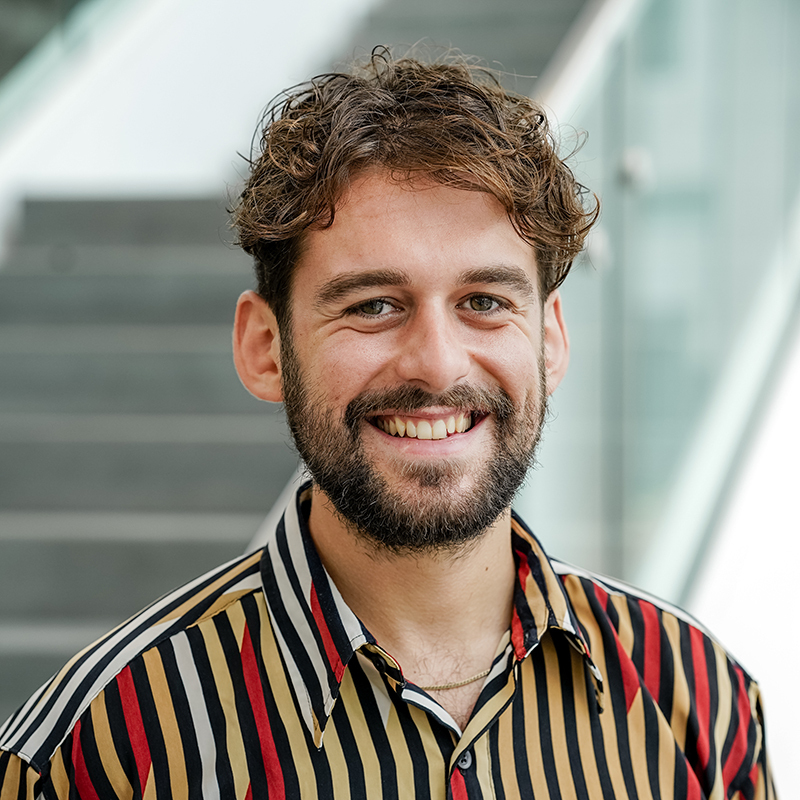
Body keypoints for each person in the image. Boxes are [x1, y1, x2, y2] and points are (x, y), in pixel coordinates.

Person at [0, 50, 774, 799]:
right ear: (266, 349)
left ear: (549, 341)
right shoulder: (94, 754)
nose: (438, 366)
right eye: (373, 305)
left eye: (486, 302)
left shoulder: (700, 699)